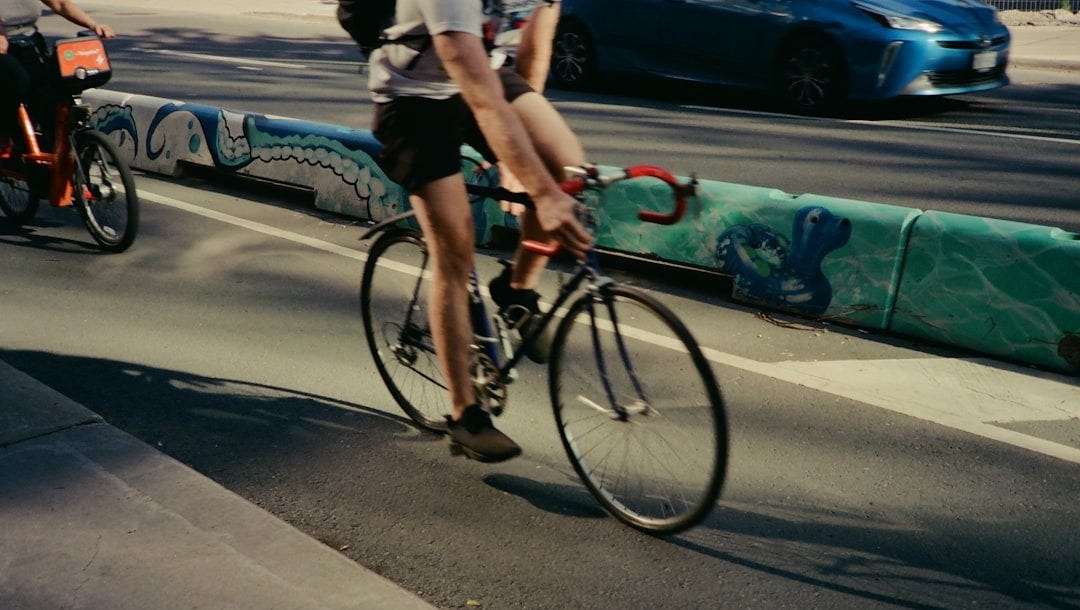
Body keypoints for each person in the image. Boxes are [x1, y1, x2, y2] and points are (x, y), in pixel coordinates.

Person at [368, 0, 594, 463]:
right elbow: (479, 93)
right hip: (415, 97)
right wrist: (534, 183)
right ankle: (464, 414)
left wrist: (522, 155)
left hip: (486, 73)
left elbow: (534, 49)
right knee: (455, 247)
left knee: (569, 168)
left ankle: (517, 291)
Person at [0, 0, 114, 143]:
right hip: (3, 47)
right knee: (18, 82)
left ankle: (57, 148)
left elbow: (61, 4)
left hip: (29, 42)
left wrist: (93, 25)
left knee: (51, 92)